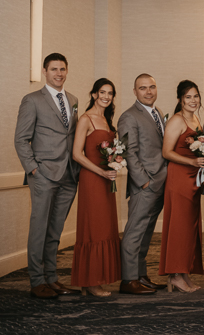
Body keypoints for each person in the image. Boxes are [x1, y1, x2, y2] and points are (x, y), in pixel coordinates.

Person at [14, 53, 81, 299]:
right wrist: (33, 168)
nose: (59, 74)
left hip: (68, 175)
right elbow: (21, 139)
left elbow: (71, 136)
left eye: (62, 69)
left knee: (56, 229)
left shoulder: (73, 99)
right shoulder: (32, 100)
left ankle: (51, 278)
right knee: (39, 228)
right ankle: (36, 280)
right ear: (45, 71)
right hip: (43, 173)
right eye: (54, 69)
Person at [70, 78, 122, 296]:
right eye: (102, 92)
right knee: (93, 228)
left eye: (110, 93)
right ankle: (90, 282)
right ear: (93, 94)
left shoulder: (107, 120)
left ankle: (96, 278)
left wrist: (117, 161)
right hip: (92, 179)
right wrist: (100, 171)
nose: (106, 97)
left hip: (106, 180)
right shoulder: (86, 119)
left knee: (105, 227)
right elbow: (76, 154)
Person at [118, 74, 167, 295]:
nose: (148, 92)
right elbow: (130, 152)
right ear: (135, 91)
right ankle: (128, 280)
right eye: (143, 88)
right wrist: (144, 181)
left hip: (161, 182)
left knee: (146, 232)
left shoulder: (159, 113)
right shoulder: (129, 116)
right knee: (134, 232)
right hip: (145, 185)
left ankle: (140, 274)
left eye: (152, 87)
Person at [159, 80, 204, 292]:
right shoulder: (176, 121)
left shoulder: (196, 119)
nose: (193, 100)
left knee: (190, 227)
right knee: (179, 227)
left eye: (195, 96)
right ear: (180, 99)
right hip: (179, 178)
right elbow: (166, 152)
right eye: (188, 97)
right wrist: (192, 162)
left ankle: (184, 273)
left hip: (194, 178)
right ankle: (175, 275)